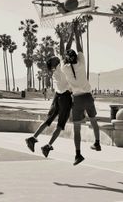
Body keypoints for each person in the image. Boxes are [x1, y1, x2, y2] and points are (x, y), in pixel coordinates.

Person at [25, 34, 73, 158]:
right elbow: (65, 48)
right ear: (56, 62)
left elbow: (63, 51)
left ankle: (33, 138)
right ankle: (48, 146)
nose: (56, 57)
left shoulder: (54, 73)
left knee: (48, 121)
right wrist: (70, 34)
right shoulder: (62, 67)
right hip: (65, 97)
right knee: (60, 125)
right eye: (54, 58)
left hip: (57, 97)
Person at [62, 20, 101, 166]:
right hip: (88, 97)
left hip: (77, 100)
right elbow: (78, 48)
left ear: (66, 59)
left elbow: (65, 49)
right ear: (76, 57)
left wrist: (70, 33)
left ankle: (78, 154)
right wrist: (77, 32)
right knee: (93, 120)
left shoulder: (65, 68)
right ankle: (97, 143)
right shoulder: (82, 63)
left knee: (77, 128)